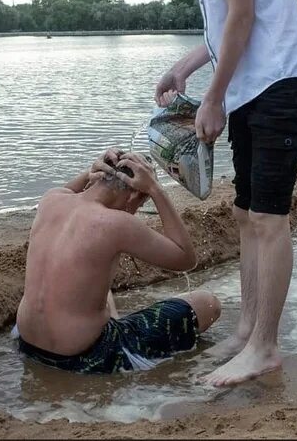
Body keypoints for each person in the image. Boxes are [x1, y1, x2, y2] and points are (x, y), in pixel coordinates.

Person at [116, 0, 297, 386]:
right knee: (245, 212)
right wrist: (184, 68)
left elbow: (244, 15)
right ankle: (250, 329)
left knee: (269, 218)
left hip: (280, 80)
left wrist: (212, 98)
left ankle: (266, 348)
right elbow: (224, 24)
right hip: (255, 85)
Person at [15, 148, 221, 374]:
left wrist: (89, 172)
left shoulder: (51, 200)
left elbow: (70, 189)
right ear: (134, 195)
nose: (135, 211)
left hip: (29, 343)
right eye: (140, 205)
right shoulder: (116, 223)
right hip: (87, 356)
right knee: (206, 303)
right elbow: (186, 258)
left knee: (104, 289)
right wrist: (155, 189)